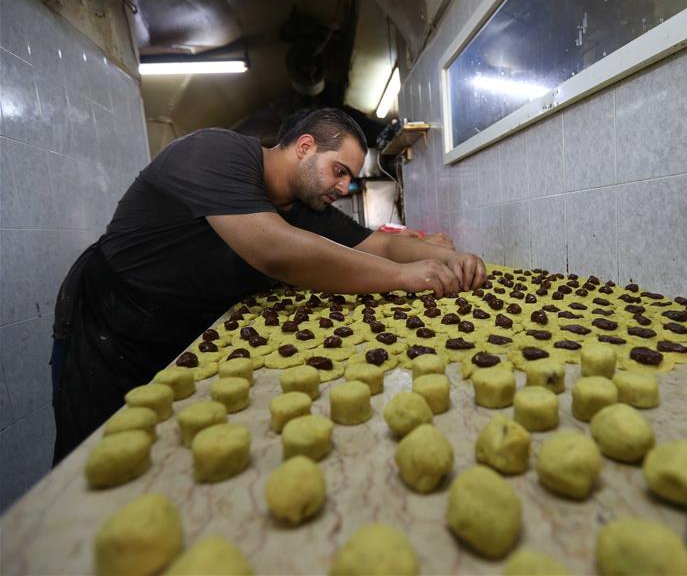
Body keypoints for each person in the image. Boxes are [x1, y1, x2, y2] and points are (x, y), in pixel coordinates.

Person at [51, 108, 486, 463]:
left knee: (166, 454)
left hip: (186, 335)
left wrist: (449, 260)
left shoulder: (303, 206)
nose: (342, 187)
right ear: (304, 147)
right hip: (110, 325)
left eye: (348, 178)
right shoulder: (213, 152)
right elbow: (275, 250)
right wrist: (405, 279)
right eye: (338, 171)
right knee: (94, 460)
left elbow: (383, 249)